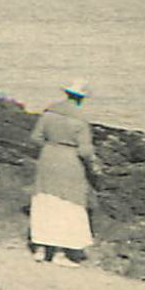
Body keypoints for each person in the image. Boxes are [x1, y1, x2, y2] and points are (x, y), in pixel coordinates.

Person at [30, 81, 99, 266]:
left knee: (45, 201)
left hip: (48, 158)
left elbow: (35, 138)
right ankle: (60, 253)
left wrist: (51, 146)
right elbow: (85, 151)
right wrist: (95, 166)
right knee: (67, 205)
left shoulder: (49, 113)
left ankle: (40, 249)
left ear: (66, 94)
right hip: (69, 163)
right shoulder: (80, 120)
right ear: (81, 98)